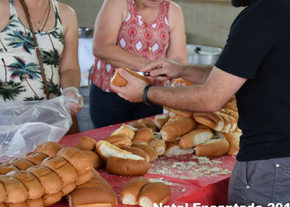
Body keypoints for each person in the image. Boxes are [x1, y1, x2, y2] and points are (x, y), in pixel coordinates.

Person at [111, 0, 290, 207]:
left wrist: (146, 93)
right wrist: (181, 70)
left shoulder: (258, 17)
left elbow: (211, 98)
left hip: (278, 162)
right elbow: (237, 72)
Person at [89, 0, 189, 128]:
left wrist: (179, 79)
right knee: (112, 142)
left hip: (152, 95)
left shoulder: (173, 10)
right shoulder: (116, 3)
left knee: (146, 143)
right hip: (111, 95)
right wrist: (152, 67)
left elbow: (178, 57)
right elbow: (102, 48)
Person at [0, 0, 83, 133]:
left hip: (51, 119)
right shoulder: (4, 7)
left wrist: (70, 91)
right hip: (6, 122)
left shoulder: (66, 14)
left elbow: (69, 68)